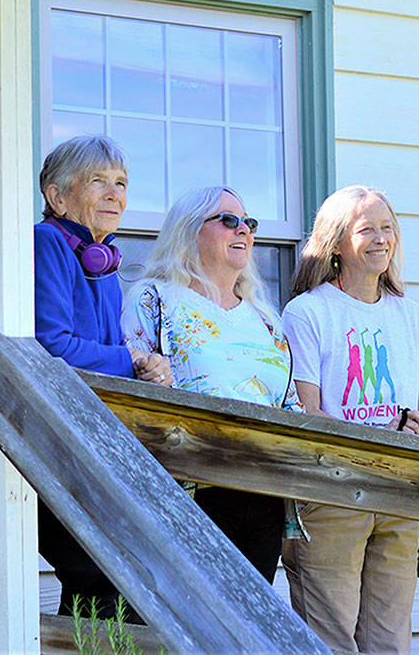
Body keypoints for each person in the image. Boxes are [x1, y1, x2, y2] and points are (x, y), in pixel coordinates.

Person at [281, 186, 419, 655]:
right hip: (333, 493)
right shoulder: (307, 312)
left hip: (400, 493)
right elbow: (306, 412)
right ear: (337, 241)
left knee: (390, 643)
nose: (382, 239)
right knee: (329, 639)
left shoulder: (407, 315)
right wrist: (378, 435)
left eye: (389, 228)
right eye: (368, 229)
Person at [122, 185, 298, 583]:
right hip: (191, 487)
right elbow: (134, 382)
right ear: (188, 230)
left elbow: (290, 405)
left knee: (248, 624)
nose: (244, 231)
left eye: (249, 224)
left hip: (263, 490)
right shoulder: (155, 299)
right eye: (228, 221)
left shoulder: (266, 319)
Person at [32, 135, 170, 620]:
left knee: (108, 584)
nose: (115, 194)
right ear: (58, 197)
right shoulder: (47, 242)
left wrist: (147, 366)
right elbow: (52, 345)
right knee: (98, 577)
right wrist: (130, 361)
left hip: (95, 442)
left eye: (121, 184)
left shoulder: (102, 259)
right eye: (98, 182)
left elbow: (115, 353)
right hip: (53, 444)